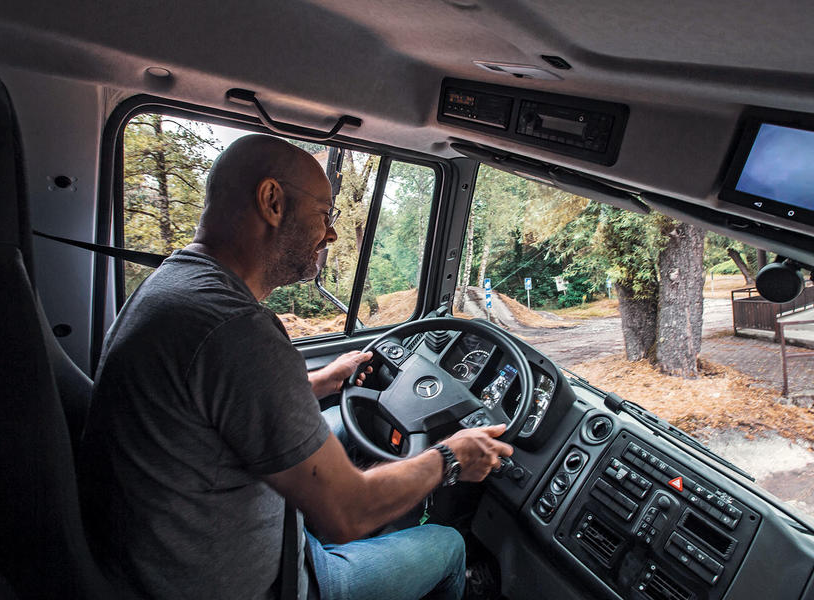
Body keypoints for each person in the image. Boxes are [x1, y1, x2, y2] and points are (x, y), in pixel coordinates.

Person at [78, 134, 513, 600]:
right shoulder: (238, 330)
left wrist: (320, 381)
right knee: (446, 544)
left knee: (340, 431)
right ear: (272, 201)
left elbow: (213, 404)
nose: (330, 234)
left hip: (180, 550)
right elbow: (347, 513)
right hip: (262, 584)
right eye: (325, 214)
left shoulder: (173, 285)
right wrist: (451, 457)